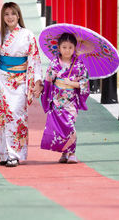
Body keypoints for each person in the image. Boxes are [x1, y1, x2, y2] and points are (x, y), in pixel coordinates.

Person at [0, 2, 43, 167]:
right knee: (2, 118)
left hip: (20, 81)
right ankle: (6, 154)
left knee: (15, 115)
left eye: (13, 13)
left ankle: (15, 154)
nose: (10, 17)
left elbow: (35, 59)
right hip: (2, 80)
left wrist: (37, 82)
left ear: (18, 15)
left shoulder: (27, 35)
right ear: (2, 17)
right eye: (6, 14)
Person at [40, 33, 90, 164]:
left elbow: (84, 84)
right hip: (57, 100)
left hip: (71, 102)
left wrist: (71, 83)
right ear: (59, 48)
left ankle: (72, 153)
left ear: (74, 49)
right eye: (64, 47)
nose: (67, 50)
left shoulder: (79, 65)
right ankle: (64, 152)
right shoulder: (55, 63)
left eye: (70, 47)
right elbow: (48, 81)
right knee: (58, 127)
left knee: (69, 125)